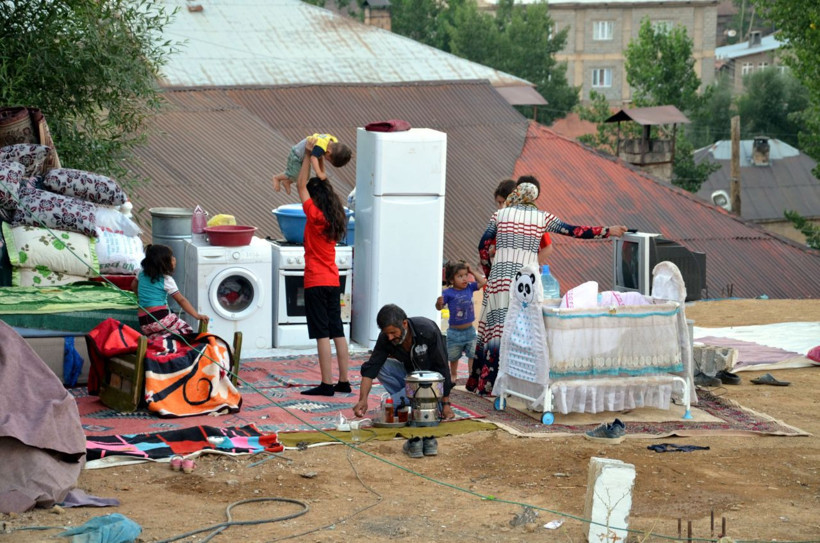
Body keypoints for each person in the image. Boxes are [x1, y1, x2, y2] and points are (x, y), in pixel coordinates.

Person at [467, 175, 628, 395]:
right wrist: (608, 231)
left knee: (496, 329)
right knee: (521, 331)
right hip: (527, 283)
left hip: (500, 280)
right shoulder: (543, 218)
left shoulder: (499, 215)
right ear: (534, 197)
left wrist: (489, 271)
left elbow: (482, 246)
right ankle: (518, 383)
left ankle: (486, 383)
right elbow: (575, 231)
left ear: (516, 194)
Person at [352, 304, 454, 457]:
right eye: (387, 334)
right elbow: (371, 368)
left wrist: (446, 404)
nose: (390, 338)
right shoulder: (386, 338)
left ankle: (408, 407)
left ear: (404, 324)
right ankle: (407, 403)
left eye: (393, 332)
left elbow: (442, 369)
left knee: (391, 405)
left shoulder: (427, 330)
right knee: (380, 367)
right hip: (410, 378)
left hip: (430, 386)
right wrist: (363, 399)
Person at [292, 143, 351, 396]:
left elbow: (300, 184)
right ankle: (345, 381)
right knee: (337, 329)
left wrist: (307, 155)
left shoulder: (314, 214)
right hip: (333, 279)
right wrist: (318, 161)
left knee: (322, 334)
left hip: (316, 281)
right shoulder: (335, 216)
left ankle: (326, 384)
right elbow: (318, 184)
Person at [131, 244, 209, 341]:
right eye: (171, 257)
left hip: (143, 321)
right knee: (186, 330)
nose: (174, 259)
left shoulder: (141, 273)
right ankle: (158, 341)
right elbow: (181, 300)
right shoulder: (166, 280)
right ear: (163, 263)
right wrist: (197, 315)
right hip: (159, 318)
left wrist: (140, 298)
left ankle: (154, 341)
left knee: (160, 332)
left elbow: (134, 285)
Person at [435, 260, 487, 382]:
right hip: (454, 332)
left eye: (465, 275)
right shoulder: (448, 293)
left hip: (470, 331)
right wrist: (438, 303)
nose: (464, 279)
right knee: (453, 356)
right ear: (452, 280)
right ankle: (453, 374)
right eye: (460, 276)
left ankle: (471, 375)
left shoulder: (470, 288)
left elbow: (483, 282)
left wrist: (472, 271)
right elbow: (439, 308)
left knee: (472, 354)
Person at [272, 133, 352, 194]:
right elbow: (313, 158)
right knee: (294, 174)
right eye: (329, 160)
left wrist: (321, 173)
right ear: (328, 152)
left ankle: (287, 181)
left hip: (303, 156)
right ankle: (277, 178)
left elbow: (319, 158)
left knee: (305, 177)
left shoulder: (332, 142)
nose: (327, 160)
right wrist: (319, 173)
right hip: (296, 155)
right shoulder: (320, 147)